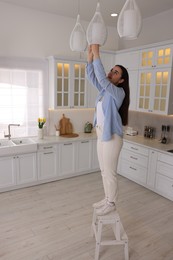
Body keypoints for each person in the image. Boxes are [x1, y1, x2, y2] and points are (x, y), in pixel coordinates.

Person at [86, 44, 130, 216]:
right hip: (101, 134)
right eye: (112, 69)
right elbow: (92, 77)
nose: (111, 72)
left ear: (121, 81)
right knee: (103, 170)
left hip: (112, 136)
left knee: (110, 172)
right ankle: (107, 198)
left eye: (116, 72)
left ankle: (111, 203)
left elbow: (103, 80)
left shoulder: (118, 93)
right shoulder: (104, 92)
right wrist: (89, 57)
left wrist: (97, 53)